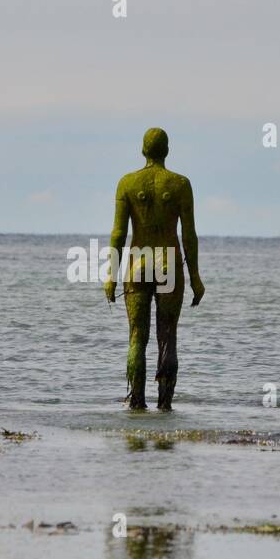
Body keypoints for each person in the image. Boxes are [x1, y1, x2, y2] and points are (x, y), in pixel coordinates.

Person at [103, 128, 205, 410]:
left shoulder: (127, 183)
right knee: (168, 336)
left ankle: (136, 405)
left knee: (137, 335)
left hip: (138, 266)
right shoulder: (181, 184)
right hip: (169, 264)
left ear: (143, 151)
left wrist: (111, 276)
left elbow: (118, 234)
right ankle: (165, 407)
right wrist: (195, 278)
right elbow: (189, 236)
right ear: (167, 151)